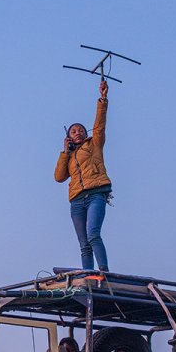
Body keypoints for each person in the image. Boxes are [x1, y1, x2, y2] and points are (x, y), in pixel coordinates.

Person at [54, 79, 113, 272]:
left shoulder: (93, 145)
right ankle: (88, 275)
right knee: (83, 244)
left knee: (93, 234)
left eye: (80, 130)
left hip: (96, 194)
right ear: (69, 136)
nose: (78, 133)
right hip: (76, 200)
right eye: (73, 131)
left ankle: (103, 271)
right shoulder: (68, 156)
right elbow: (59, 177)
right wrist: (65, 152)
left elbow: (99, 127)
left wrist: (102, 99)